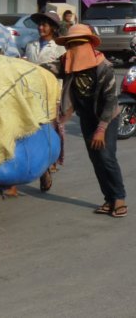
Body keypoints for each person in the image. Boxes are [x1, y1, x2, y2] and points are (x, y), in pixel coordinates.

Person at [42, 24, 127, 218]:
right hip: (87, 116)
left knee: (106, 157)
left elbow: (110, 100)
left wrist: (101, 129)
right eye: (71, 44)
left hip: (107, 117)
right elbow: (48, 69)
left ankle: (119, 198)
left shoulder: (103, 66)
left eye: (78, 43)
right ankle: (109, 198)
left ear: (88, 44)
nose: (74, 48)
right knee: (96, 159)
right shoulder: (67, 61)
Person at [24, 12, 66, 192]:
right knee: (29, 131)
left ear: (54, 28)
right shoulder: (30, 45)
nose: (41, 28)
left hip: (52, 95)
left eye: (45, 25)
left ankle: (47, 167)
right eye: (40, 25)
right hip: (31, 94)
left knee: (50, 131)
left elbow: (63, 73)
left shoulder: (60, 48)